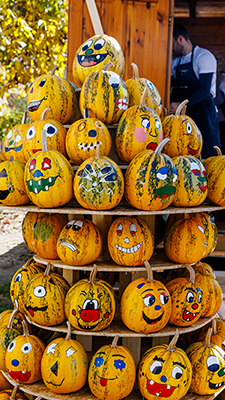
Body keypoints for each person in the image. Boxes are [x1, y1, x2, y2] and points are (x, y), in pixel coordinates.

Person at [170, 23, 221, 159]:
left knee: (209, 156)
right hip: (186, 116)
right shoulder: (175, 61)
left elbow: (205, 90)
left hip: (205, 114)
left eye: (172, 43)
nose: (171, 48)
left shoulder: (204, 57)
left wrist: (180, 104)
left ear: (180, 39)